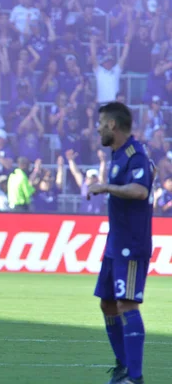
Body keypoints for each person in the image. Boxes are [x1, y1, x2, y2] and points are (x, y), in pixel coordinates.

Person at [87, 102, 155, 384]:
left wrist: (106, 187)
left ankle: (134, 377)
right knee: (107, 304)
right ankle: (123, 366)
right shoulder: (118, 156)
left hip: (131, 243)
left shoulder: (135, 155)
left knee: (127, 304)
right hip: (116, 241)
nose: (98, 128)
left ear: (113, 125)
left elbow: (140, 190)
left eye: (101, 123)